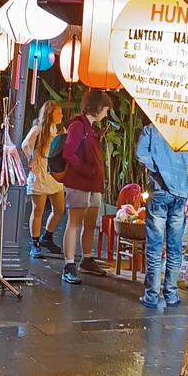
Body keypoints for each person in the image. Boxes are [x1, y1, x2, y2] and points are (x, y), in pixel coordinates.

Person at [135, 123, 188, 309]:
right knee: (174, 247)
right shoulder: (187, 130)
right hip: (181, 195)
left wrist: (157, 171)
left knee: (155, 247)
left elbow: (141, 154)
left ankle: (151, 295)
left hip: (159, 192)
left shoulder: (151, 129)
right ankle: (171, 295)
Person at [61, 88, 111, 285]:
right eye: (105, 109)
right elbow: (69, 153)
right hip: (80, 182)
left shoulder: (90, 128)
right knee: (75, 222)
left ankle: (87, 258)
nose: (106, 113)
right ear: (97, 108)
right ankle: (69, 264)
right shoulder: (78, 125)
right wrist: (86, 170)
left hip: (93, 184)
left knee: (90, 223)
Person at [22, 100, 65, 259]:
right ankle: (35, 243)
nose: (61, 115)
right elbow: (25, 145)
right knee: (38, 210)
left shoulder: (59, 129)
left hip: (54, 175)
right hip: (40, 173)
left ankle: (47, 236)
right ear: (49, 113)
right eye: (58, 112)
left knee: (59, 208)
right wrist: (31, 162)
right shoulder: (38, 129)